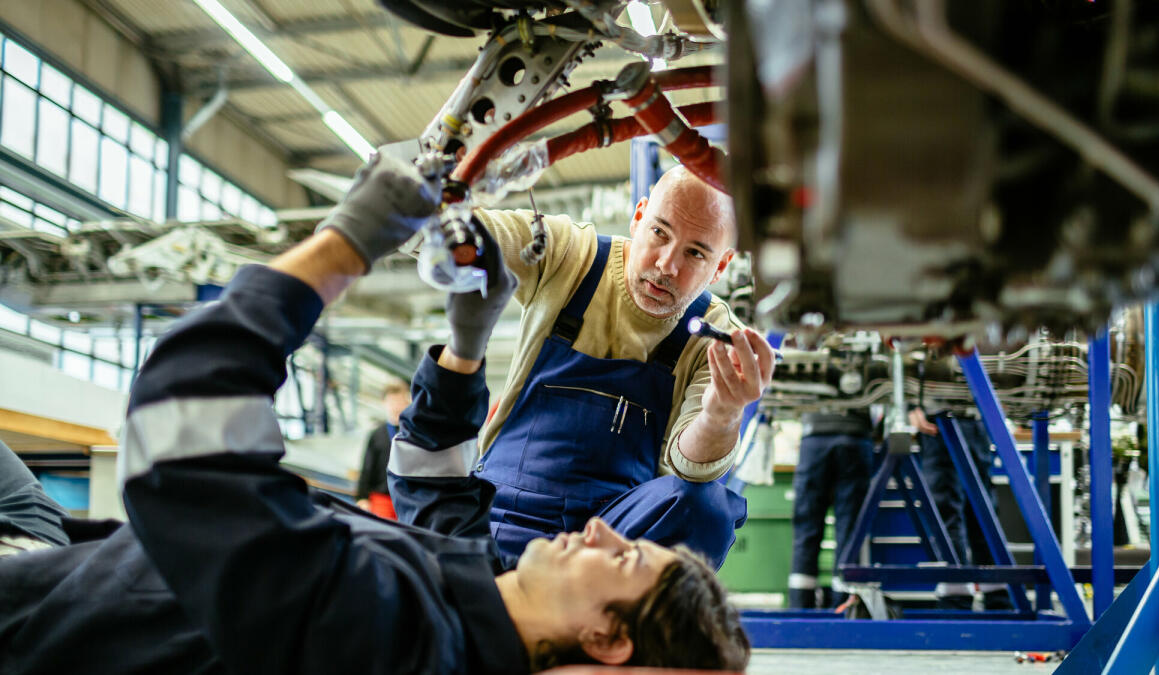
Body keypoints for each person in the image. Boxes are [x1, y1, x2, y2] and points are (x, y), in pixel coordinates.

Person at [0, 149, 750, 674]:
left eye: (623, 555)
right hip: (74, 548)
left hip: (38, 607)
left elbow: (180, 442)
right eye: (658, 234)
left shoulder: (394, 636)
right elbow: (433, 487)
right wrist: (464, 350)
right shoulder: (480, 586)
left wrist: (346, 242)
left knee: (710, 501)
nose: (600, 527)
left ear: (605, 638)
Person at [460, 163, 776, 567]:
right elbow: (471, 234)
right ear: (638, 216)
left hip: (614, 543)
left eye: (695, 252)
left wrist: (721, 413)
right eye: (660, 232)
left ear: (721, 266)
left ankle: (636, 618)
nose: (666, 265)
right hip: (504, 509)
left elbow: (689, 469)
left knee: (708, 508)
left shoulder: (715, 336)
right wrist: (431, 213)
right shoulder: (569, 256)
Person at [911, 401, 1014, 611]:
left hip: (944, 422)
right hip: (968, 422)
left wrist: (911, 407)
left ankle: (958, 600)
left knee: (953, 513)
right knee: (980, 513)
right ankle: (996, 598)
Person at [788, 409, 875, 608]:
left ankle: (800, 608)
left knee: (806, 530)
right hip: (855, 436)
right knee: (850, 531)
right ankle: (844, 609)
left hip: (814, 438)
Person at [355, 379, 412, 518]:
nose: (396, 406)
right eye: (392, 402)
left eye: (399, 401)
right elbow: (367, 467)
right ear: (384, 403)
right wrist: (361, 497)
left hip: (408, 498)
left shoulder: (414, 433)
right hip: (382, 498)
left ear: (407, 403)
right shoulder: (377, 435)